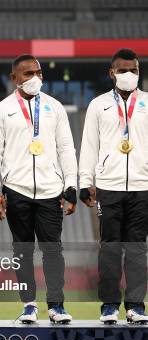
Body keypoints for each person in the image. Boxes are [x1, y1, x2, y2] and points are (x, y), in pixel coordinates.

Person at [0, 54, 78, 324]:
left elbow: (66, 149)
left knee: (52, 250)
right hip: (17, 189)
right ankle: (28, 305)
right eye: (27, 74)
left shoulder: (55, 107)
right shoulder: (2, 110)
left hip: (51, 190)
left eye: (37, 73)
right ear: (14, 78)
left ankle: (56, 306)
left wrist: (71, 186)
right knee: (22, 251)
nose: (34, 78)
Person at [79, 48, 148, 325]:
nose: (128, 74)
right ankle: (109, 306)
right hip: (108, 186)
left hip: (142, 186)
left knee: (137, 248)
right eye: (122, 70)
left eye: (133, 69)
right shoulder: (98, 105)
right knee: (109, 248)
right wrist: (85, 182)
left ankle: (136, 305)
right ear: (112, 72)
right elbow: (89, 146)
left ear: (139, 71)